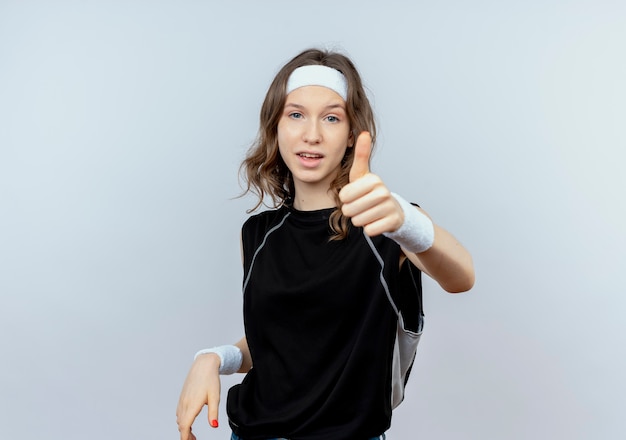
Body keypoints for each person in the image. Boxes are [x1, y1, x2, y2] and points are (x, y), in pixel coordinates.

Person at [176, 48, 475, 440]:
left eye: (331, 118)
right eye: (295, 114)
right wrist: (216, 358)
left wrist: (407, 221)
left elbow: (461, 276)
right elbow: (279, 342)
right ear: (276, 126)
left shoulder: (388, 221)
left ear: (352, 134)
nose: (311, 134)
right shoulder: (257, 234)